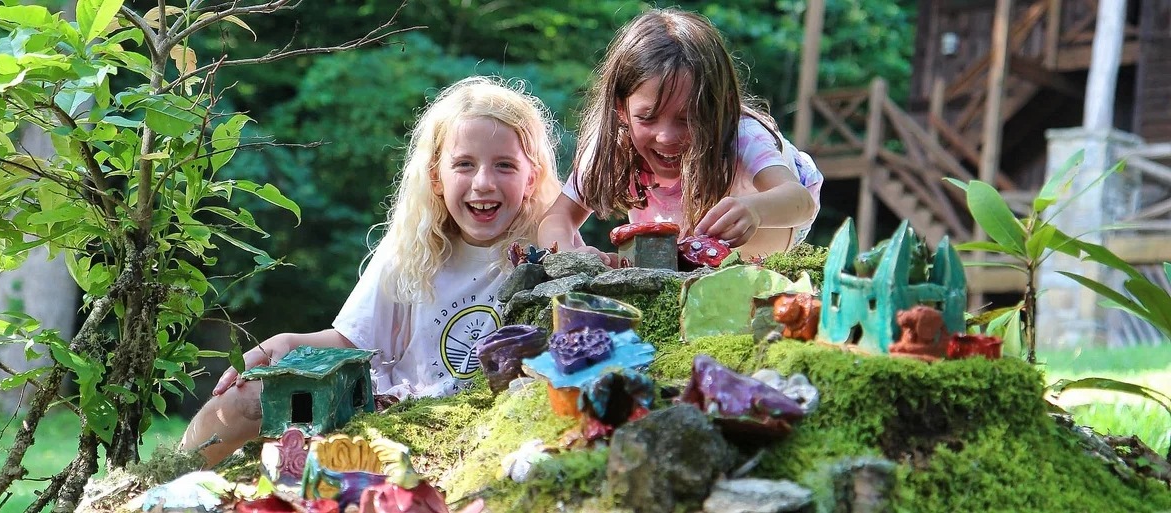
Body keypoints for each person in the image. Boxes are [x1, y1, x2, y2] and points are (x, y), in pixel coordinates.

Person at [180, 76, 563, 466]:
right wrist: (289, 341)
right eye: (464, 164)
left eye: (505, 166)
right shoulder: (413, 249)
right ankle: (164, 489)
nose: (483, 183)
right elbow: (354, 343)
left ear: (531, 178)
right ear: (435, 177)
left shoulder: (549, 254)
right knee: (242, 399)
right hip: (394, 417)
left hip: (486, 433)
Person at [538, 8, 823, 264]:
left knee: (737, 269)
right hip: (676, 224)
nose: (666, 137)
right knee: (659, 264)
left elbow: (799, 201)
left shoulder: (741, 134)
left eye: (688, 119)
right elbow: (556, 218)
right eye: (647, 117)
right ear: (621, 109)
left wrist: (755, 210)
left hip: (761, 217)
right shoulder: (613, 147)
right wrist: (571, 256)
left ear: (718, 109)